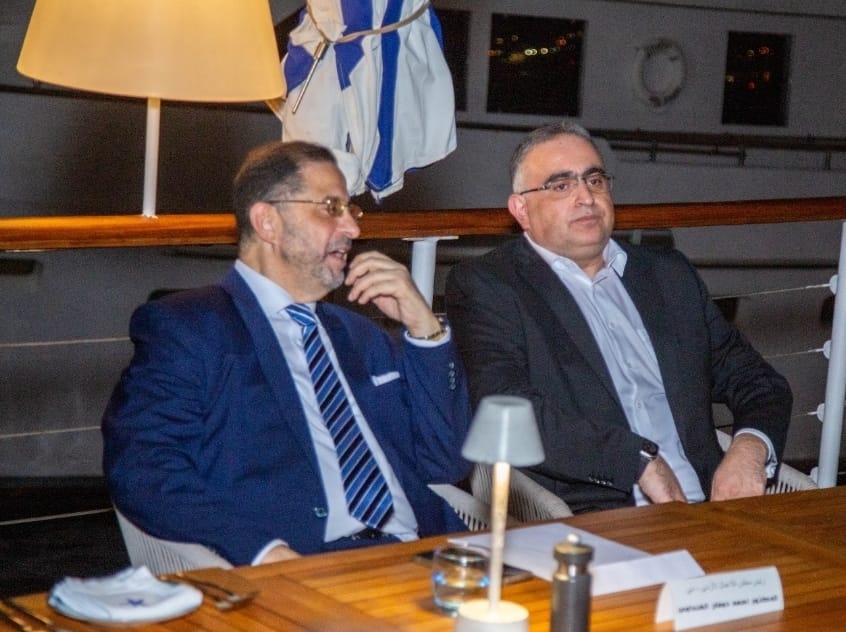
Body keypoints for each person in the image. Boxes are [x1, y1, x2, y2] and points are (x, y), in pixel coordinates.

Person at [102, 141, 471, 566]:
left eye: (351, 211)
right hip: (307, 564)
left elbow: (444, 463)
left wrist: (424, 329)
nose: (353, 229)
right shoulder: (189, 328)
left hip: (427, 552)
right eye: (331, 208)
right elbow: (144, 468)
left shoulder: (360, 334)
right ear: (268, 221)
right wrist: (260, 551)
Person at [445, 122, 792, 513]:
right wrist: (636, 461)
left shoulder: (668, 275)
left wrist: (750, 447)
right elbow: (508, 410)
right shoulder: (490, 285)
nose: (586, 197)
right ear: (521, 210)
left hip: (711, 504)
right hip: (597, 516)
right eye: (561, 186)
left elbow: (758, 381)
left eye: (594, 180)